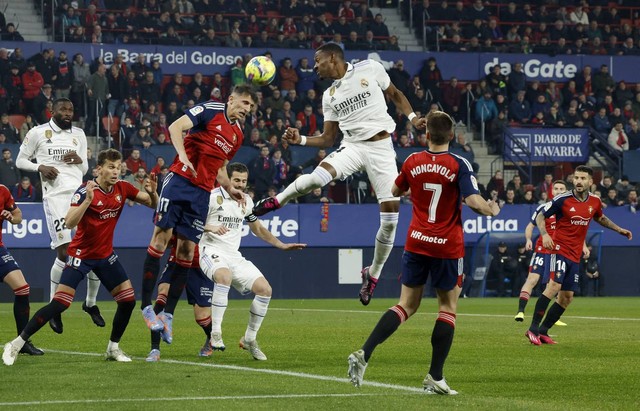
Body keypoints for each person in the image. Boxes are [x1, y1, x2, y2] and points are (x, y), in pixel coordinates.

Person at [252, 43, 427, 306]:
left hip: (381, 149)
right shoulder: (329, 95)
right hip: (353, 147)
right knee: (315, 178)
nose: (314, 65)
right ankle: (277, 201)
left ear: (332, 57)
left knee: (391, 221)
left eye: (317, 60)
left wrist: (413, 119)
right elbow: (328, 139)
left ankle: (373, 274)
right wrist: (299, 139)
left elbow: (395, 93)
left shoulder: (370, 68)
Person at [347, 111, 500, 394]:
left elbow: (395, 188)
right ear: (452, 136)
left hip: (416, 241)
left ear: (426, 134)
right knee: (447, 308)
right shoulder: (458, 163)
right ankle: (435, 376)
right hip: (446, 246)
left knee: (406, 305)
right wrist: (491, 209)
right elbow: (474, 201)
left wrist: (417, 187)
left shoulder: (412, 160)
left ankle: (365, 353)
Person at [2, 149, 159, 366]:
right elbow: (68, 222)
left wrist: (152, 193)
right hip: (81, 256)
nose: (115, 171)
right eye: (111, 167)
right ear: (99, 169)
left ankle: (113, 347)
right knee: (60, 304)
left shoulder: (123, 188)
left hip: (105, 256)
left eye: (118, 167)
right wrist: (87, 201)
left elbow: (153, 203)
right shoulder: (85, 190)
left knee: (128, 301)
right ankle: (16, 344)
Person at [140, 85, 258, 342]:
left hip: (202, 193)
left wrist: (230, 190)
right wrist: (183, 157)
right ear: (231, 99)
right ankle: (146, 307)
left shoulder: (238, 134)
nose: (247, 109)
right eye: (244, 103)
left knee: (186, 251)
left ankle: (168, 315)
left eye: (251, 106)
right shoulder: (210, 110)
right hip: (180, 180)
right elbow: (174, 127)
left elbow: (221, 167)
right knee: (160, 239)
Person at [15, 98, 104, 334]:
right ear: (51, 111)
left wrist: (80, 161)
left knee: (94, 252)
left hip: (80, 196)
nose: (67, 112)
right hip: (55, 197)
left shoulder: (79, 134)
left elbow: (84, 168)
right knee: (65, 252)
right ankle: (55, 307)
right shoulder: (38, 133)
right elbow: (20, 160)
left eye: (71, 109)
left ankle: (90, 303)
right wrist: (40, 167)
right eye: (63, 109)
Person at [200, 163, 305, 361]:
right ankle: (215, 333)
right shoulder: (212, 197)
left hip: (233, 255)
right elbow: (190, 221)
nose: (240, 185)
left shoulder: (246, 201)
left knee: (265, 290)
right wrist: (210, 227)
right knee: (224, 276)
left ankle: (249, 339)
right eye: (236, 180)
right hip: (210, 250)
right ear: (227, 179)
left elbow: (257, 228)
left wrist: (281, 245)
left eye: (243, 181)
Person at [525, 166, 632, 346]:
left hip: (575, 254)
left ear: (591, 182)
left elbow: (600, 218)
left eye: (583, 178)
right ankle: (532, 329)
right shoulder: (562, 199)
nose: (579, 181)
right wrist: (544, 235)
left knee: (567, 297)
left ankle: (544, 331)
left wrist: (619, 229)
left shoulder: (595, 201)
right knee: (553, 287)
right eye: (576, 178)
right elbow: (541, 216)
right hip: (558, 249)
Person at [145, 234, 214, 361]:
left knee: (202, 318)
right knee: (162, 295)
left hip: (201, 265)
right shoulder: (178, 214)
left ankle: (212, 338)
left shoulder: (210, 216)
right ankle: (155, 349)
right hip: (177, 259)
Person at [516, 180, 571, 322]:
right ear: (552, 191)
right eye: (556, 188)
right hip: (542, 249)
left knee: (553, 284)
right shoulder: (544, 208)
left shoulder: (570, 210)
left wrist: (582, 246)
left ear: (566, 191)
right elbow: (530, 226)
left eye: (561, 189)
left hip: (558, 251)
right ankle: (520, 311)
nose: (558, 191)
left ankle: (551, 316)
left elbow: (577, 231)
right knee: (532, 279)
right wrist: (528, 240)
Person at [0, 184, 43, 356]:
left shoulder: (2, 190)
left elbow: (18, 216)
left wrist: (11, 217)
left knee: (22, 288)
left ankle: (22, 341)